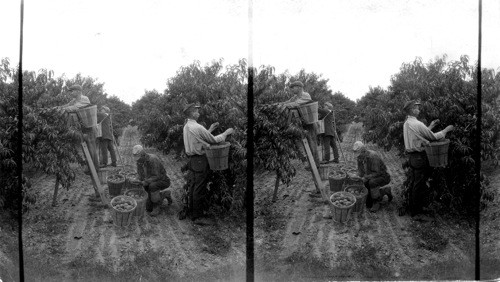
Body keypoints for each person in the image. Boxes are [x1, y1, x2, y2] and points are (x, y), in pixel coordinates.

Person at [183, 103, 234, 225]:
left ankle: (192, 212)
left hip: (192, 160)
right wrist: (226, 133)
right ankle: (198, 217)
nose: (198, 113)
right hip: (200, 160)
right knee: (199, 188)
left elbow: (198, 138)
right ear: (192, 113)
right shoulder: (198, 127)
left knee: (194, 186)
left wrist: (210, 129)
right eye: (196, 111)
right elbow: (213, 140)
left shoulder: (187, 126)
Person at [402, 100, 454, 221]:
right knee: (419, 185)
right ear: (411, 110)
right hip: (419, 157)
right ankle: (417, 213)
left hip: (412, 157)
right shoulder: (417, 124)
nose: (419, 110)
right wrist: (446, 130)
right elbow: (432, 137)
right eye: (416, 108)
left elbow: (418, 135)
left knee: (415, 183)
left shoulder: (407, 123)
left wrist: (430, 126)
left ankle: (414, 209)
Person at [59, 84, 99, 174]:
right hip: (83, 127)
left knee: (91, 147)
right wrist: (58, 108)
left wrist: (64, 109)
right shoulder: (74, 100)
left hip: (90, 127)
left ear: (78, 91)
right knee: (86, 148)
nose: (70, 93)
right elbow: (67, 105)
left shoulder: (84, 99)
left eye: (72, 91)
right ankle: (91, 167)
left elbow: (75, 107)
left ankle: (94, 168)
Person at [280, 81, 320, 169]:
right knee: (305, 144)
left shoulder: (305, 95)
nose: (292, 89)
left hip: (310, 124)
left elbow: (295, 104)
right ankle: (311, 163)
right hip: (303, 123)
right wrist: (280, 104)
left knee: (312, 143)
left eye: (293, 87)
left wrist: (284, 105)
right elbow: (288, 102)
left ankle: (316, 164)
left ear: (299, 87)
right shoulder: (295, 97)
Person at [131, 145, 172, 217]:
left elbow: (156, 176)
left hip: (162, 180)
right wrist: (137, 180)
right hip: (150, 181)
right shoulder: (139, 162)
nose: (138, 160)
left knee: (152, 186)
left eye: (139, 158)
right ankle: (164, 194)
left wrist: (145, 182)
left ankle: (157, 206)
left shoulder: (152, 159)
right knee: (149, 208)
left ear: (143, 154)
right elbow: (140, 175)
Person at [353, 141, 392, 212]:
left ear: (364, 151)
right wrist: (357, 176)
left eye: (359, 154)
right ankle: (385, 191)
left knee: (372, 182)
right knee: (368, 204)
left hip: (383, 176)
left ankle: (376, 202)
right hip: (371, 175)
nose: (358, 156)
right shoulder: (359, 158)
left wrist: (366, 177)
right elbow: (361, 172)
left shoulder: (373, 156)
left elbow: (377, 173)